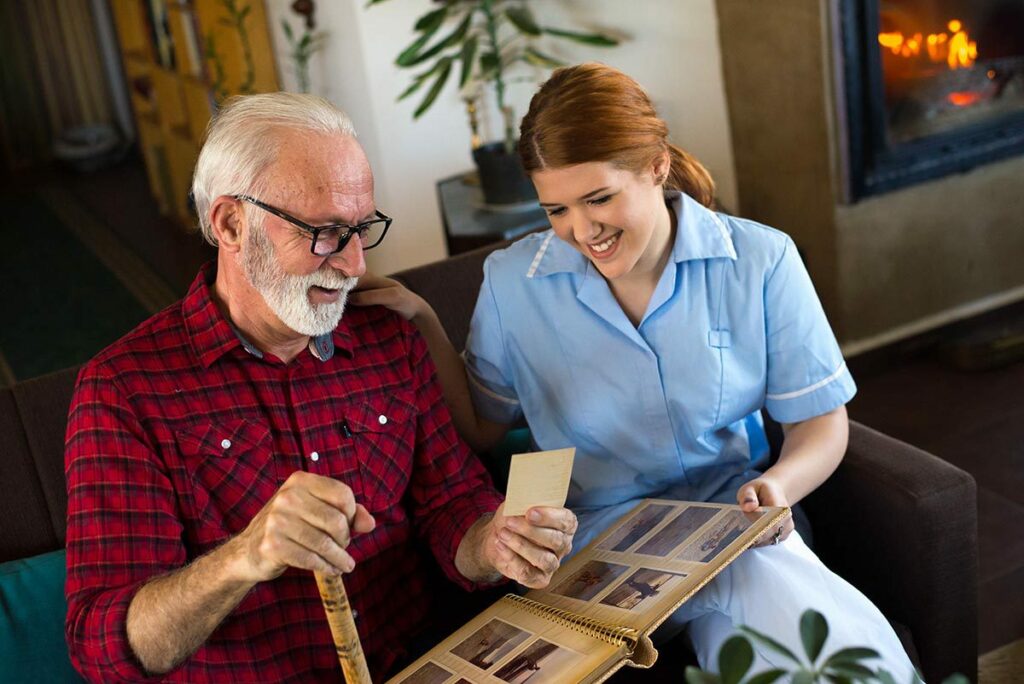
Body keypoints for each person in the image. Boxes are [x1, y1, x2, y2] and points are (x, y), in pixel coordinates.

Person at [351, 63, 918, 679]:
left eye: (599, 198)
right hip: (597, 546)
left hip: (735, 520)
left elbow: (820, 421)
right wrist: (426, 322)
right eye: (556, 210)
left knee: (774, 613)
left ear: (655, 167)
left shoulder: (760, 260)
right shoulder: (514, 284)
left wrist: (780, 486)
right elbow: (485, 430)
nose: (582, 230)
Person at [63, 92, 577, 683]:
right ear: (231, 223)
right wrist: (245, 555)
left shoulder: (387, 338)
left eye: (362, 229)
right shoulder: (124, 391)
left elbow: (453, 503)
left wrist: (494, 542)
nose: (356, 263)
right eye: (328, 232)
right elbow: (105, 649)